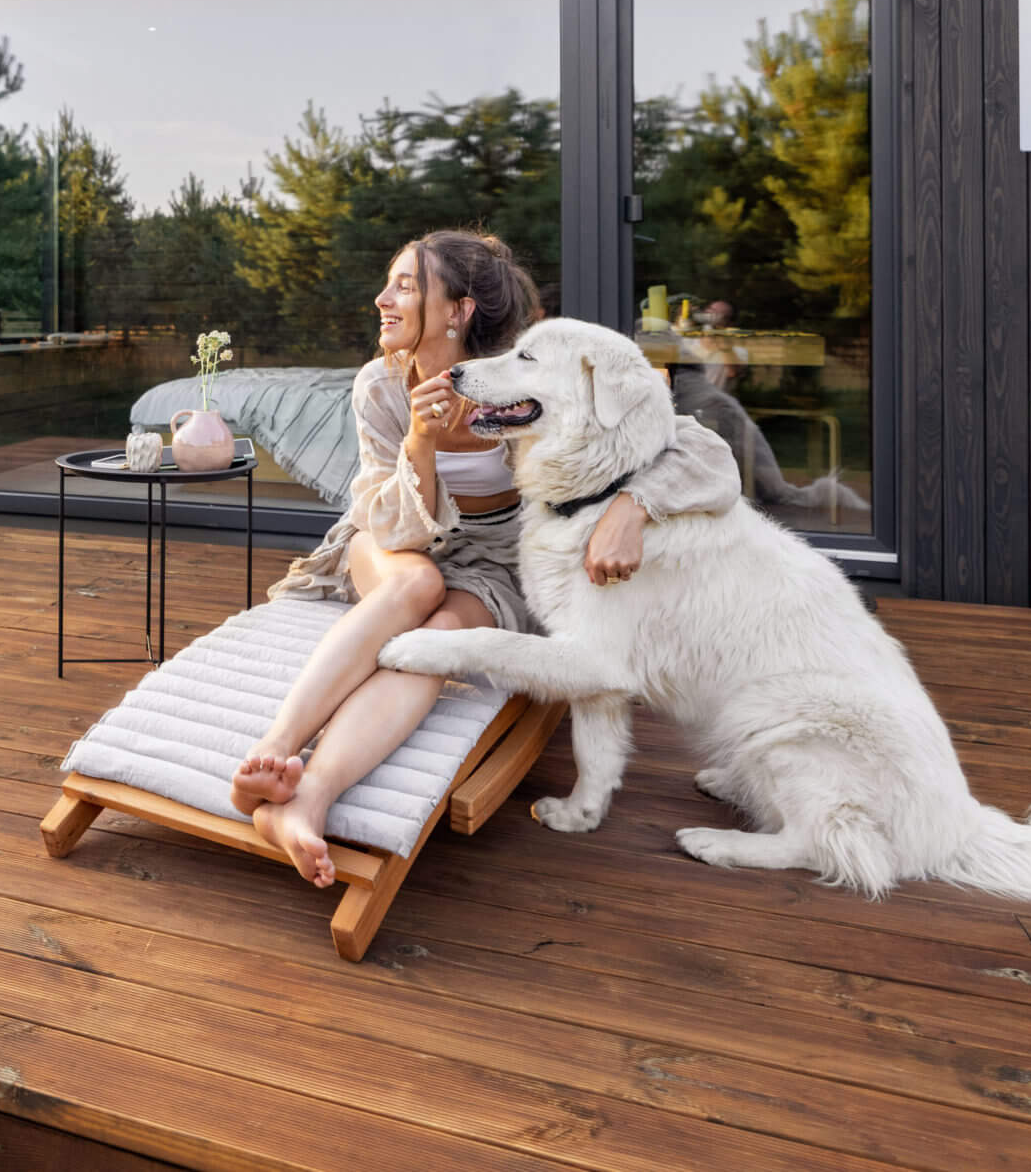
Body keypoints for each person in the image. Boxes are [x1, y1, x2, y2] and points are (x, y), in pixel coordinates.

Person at [230, 229, 743, 886]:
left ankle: (308, 794)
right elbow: (385, 522)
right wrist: (419, 443)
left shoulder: (530, 375)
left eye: (405, 285)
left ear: (458, 310)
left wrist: (629, 507)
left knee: (445, 636)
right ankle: (273, 751)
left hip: (498, 560)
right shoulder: (380, 387)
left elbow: (705, 453)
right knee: (413, 589)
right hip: (397, 547)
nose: (382, 299)